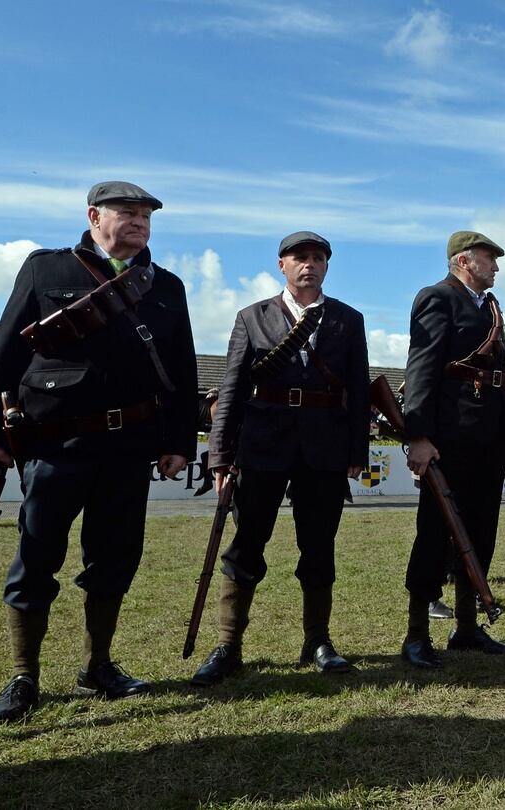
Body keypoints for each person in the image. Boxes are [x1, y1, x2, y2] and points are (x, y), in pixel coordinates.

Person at [0, 181, 197, 725]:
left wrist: (177, 441)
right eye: (128, 213)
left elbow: (182, 372)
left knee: (114, 558)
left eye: (145, 216)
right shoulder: (46, 270)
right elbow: (4, 355)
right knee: (37, 558)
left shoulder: (167, 286)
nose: (139, 223)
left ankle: (98, 666)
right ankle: (25, 676)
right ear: (94, 216)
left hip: (129, 446)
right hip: (55, 444)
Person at [191, 231, 371, 686]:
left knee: (318, 547)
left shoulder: (348, 320)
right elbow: (231, 389)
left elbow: (359, 389)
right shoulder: (251, 317)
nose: (308, 264)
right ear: (281, 265)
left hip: (325, 446)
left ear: (327, 266)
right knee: (247, 544)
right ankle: (229, 645)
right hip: (262, 443)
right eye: (299, 258)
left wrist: (356, 452)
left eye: (317, 258)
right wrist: (221, 454)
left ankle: (318, 641)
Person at [400, 230, 505, 668]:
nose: (496, 267)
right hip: (447, 439)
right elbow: (423, 367)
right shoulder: (437, 298)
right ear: (465, 261)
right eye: (490, 259)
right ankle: (416, 634)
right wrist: (419, 436)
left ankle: (466, 627)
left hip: (487, 436)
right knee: (434, 531)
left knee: (481, 529)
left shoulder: (487, 307)